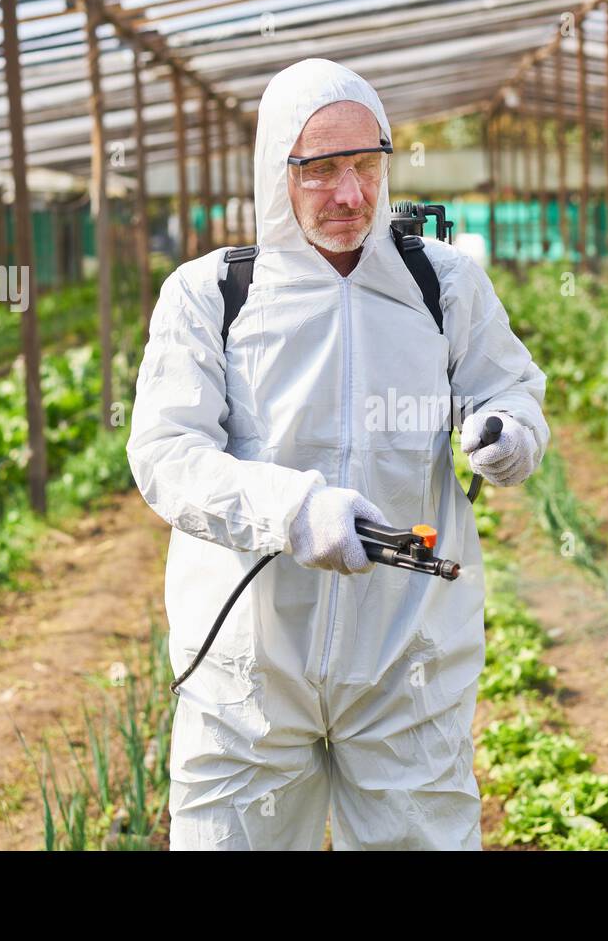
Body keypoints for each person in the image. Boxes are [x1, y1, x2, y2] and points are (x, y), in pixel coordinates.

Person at [126, 57, 550, 850]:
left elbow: (511, 389)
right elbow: (165, 453)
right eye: (320, 168)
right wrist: (292, 511)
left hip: (406, 662)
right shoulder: (213, 295)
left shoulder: (442, 284)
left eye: (366, 163)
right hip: (249, 670)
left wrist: (507, 434)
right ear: (274, 170)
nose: (351, 194)